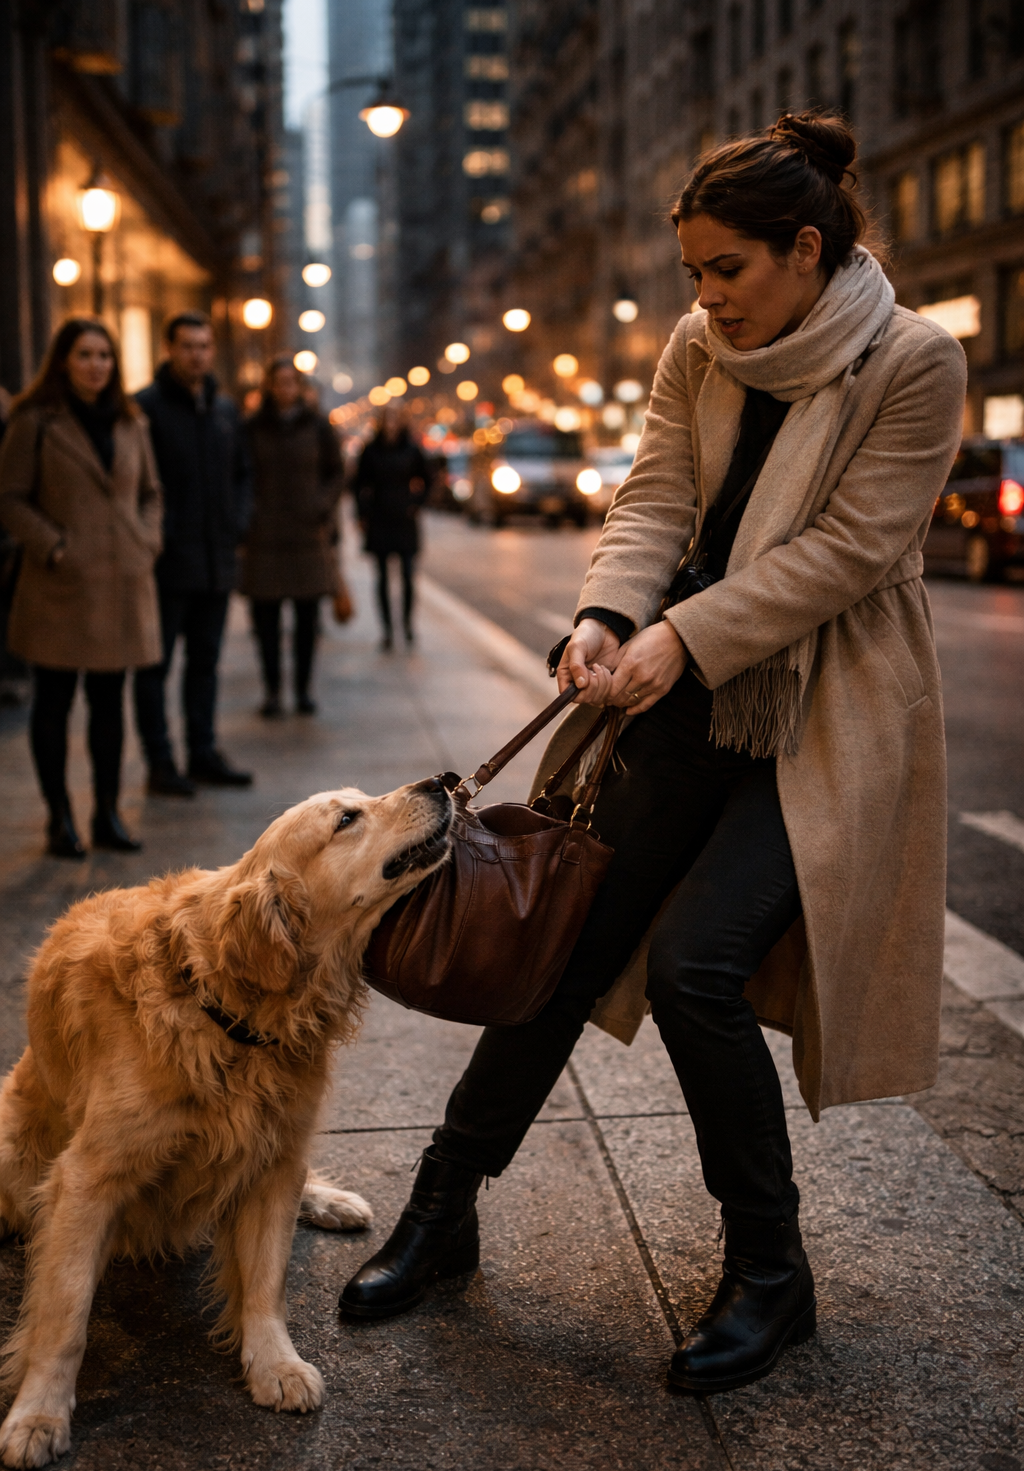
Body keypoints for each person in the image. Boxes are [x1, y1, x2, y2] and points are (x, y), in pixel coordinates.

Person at [339, 114, 968, 1394]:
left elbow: (849, 554)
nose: (705, 297)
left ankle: (770, 1275)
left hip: (823, 708)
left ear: (805, 249)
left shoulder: (913, 360)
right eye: (691, 273)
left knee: (697, 967)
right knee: (553, 942)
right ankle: (442, 1206)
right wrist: (604, 615)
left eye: (726, 269)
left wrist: (682, 633)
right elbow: (657, 496)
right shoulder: (699, 347)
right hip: (678, 689)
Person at [0, 319, 163, 857]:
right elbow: (11, 499)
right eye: (85, 354)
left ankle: (108, 814)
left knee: (110, 706)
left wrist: (147, 538)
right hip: (59, 588)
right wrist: (53, 546)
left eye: (104, 356)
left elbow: (150, 491)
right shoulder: (36, 421)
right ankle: (60, 819)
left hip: (121, 584)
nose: (96, 365)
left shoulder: (129, 421)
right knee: (53, 702)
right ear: (63, 361)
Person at [132, 312, 253, 795]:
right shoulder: (146, 408)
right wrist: (156, 536)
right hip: (164, 564)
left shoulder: (223, 410)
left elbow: (243, 474)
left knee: (205, 663)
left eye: (204, 346)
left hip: (215, 563)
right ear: (169, 349)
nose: (196, 355)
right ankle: (161, 762)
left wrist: (237, 523)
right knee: (154, 668)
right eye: (187, 346)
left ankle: (202, 752)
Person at [241, 356, 345, 715]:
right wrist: (249, 512)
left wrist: (321, 504)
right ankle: (272, 691)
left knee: (306, 621)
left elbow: (336, 472)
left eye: (291, 382)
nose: (285, 389)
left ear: (299, 387)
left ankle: (302, 690)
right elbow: (239, 474)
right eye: (278, 382)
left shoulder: (317, 426)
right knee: (266, 622)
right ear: (268, 386)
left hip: (307, 536)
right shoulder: (252, 427)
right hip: (264, 537)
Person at [353, 405, 427, 650]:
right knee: (382, 577)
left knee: (407, 575)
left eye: (396, 419)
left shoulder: (412, 448)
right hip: (380, 517)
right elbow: (358, 484)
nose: (391, 425)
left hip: (404, 518)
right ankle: (386, 629)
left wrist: (416, 503)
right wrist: (362, 513)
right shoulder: (371, 450)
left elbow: (428, 477)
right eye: (388, 420)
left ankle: (407, 625)